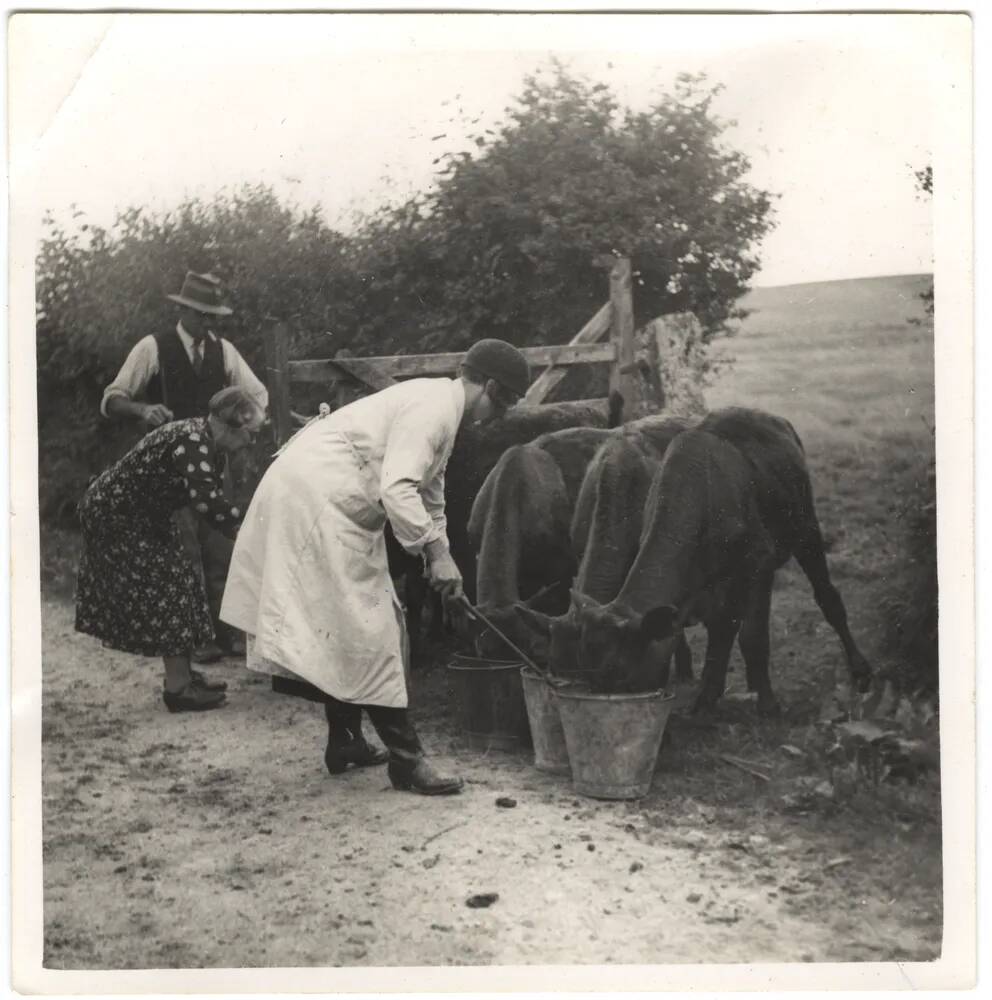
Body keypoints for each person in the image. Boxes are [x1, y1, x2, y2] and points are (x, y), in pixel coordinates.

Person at [220, 338, 531, 795]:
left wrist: (438, 554)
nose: (499, 415)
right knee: (373, 627)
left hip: (324, 497)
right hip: (319, 499)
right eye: (503, 402)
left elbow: (430, 494)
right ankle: (408, 762)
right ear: (487, 385)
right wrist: (436, 554)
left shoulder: (440, 408)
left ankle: (345, 741)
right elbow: (399, 488)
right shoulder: (434, 410)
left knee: (346, 624)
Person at [101, 271, 269, 663]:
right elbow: (112, 398)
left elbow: (258, 393)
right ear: (183, 310)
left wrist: (245, 425)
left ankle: (225, 631)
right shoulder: (153, 347)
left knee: (223, 543)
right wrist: (142, 408)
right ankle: (194, 637)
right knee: (182, 549)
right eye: (201, 314)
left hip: (214, 462)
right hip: (170, 469)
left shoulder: (223, 351)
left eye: (213, 316)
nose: (208, 323)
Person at [75, 387, 266, 712]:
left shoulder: (205, 439)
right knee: (170, 588)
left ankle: (183, 675)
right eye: (251, 433)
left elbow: (212, 501)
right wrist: (253, 536)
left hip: (142, 514)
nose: (252, 442)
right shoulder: (192, 441)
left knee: (183, 583)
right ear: (232, 424)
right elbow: (210, 504)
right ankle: (178, 689)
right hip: (118, 515)